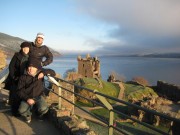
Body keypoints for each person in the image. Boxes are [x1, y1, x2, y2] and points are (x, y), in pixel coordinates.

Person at [16, 58, 55, 123]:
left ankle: (39, 115)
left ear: (37, 68)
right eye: (29, 67)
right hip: (27, 97)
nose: (30, 69)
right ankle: (28, 115)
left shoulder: (40, 72)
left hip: (38, 96)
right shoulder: (23, 76)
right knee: (21, 110)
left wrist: (44, 73)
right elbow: (19, 90)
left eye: (33, 67)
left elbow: (53, 72)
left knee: (44, 109)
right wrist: (27, 99)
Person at [7, 41, 30, 116]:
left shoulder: (30, 57)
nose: (25, 49)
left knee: (22, 94)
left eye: (27, 48)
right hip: (16, 78)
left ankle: (22, 110)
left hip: (25, 79)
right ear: (21, 48)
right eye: (24, 48)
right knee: (15, 95)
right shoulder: (17, 55)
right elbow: (11, 66)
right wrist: (13, 77)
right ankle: (14, 111)